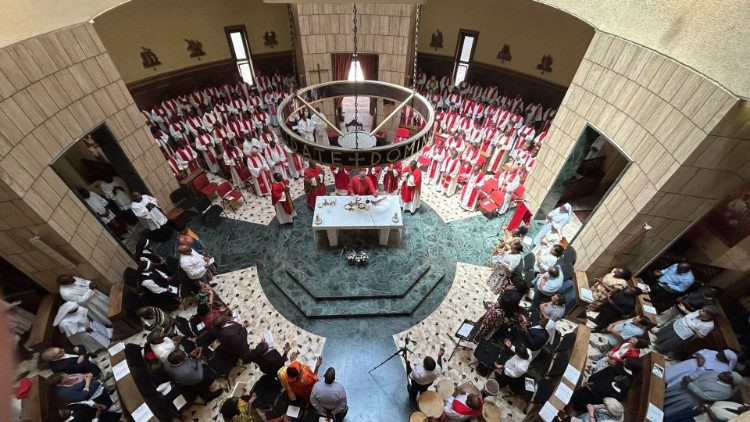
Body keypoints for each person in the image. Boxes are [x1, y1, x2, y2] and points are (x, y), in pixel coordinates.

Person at [567, 359, 641, 412]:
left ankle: (572, 406)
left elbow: (600, 399)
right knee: (578, 392)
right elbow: (605, 380)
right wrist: (592, 383)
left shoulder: (615, 394)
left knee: (578, 399)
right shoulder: (615, 380)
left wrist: (589, 388)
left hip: (591, 397)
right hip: (592, 388)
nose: (624, 360)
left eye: (626, 361)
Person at [664, 370, 739, 420]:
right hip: (684, 385)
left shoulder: (726, 393)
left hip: (691, 399)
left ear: (730, 382)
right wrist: (690, 378)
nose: (723, 373)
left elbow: (704, 395)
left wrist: (689, 384)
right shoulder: (716, 373)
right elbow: (701, 372)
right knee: (663, 394)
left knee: (668, 407)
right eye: (726, 372)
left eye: (726, 375)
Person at [665, 348, 738, 388]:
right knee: (670, 373)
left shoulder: (724, 369)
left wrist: (702, 366)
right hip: (690, 363)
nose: (718, 353)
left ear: (725, 359)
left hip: (693, 373)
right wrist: (701, 357)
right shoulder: (715, 352)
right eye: (720, 352)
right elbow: (702, 351)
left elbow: (710, 374)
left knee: (676, 381)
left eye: (721, 355)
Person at [49, 372, 114, 412]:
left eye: (64, 375)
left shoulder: (67, 379)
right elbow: (82, 396)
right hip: (93, 393)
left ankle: (106, 383)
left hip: (93, 382)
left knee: (99, 379)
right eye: (63, 378)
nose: (67, 376)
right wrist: (88, 382)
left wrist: (87, 375)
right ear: (58, 384)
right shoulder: (63, 393)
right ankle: (109, 389)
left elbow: (79, 376)